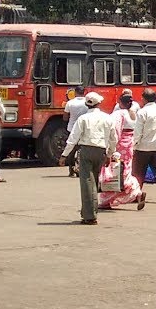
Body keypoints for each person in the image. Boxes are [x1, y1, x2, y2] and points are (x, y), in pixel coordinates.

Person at [59, 92, 118, 225]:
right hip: (101, 151)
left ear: (87, 104)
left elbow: (73, 138)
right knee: (94, 182)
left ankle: (89, 215)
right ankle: (91, 211)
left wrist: (64, 155)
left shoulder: (83, 119)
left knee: (86, 183)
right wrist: (109, 154)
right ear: (99, 103)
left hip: (86, 150)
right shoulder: (107, 118)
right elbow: (113, 139)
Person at [98, 91, 145, 211]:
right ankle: (137, 192)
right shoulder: (134, 114)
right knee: (126, 170)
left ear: (120, 102)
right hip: (129, 145)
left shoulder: (119, 114)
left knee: (113, 172)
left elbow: (115, 132)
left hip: (119, 146)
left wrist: (110, 148)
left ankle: (106, 201)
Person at [62, 88, 89, 177]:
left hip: (72, 128)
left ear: (75, 93)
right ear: (84, 92)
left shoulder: (70, 103)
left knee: (72, 149)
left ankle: (71, 170)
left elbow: (65, 118)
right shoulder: (87, 102)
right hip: (85, 128)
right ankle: (81, 169)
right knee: (83, 149)